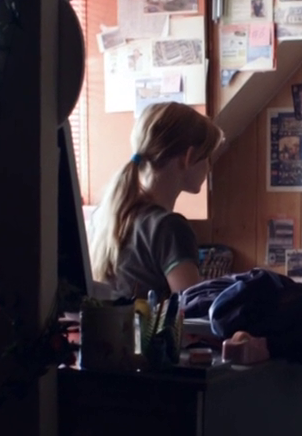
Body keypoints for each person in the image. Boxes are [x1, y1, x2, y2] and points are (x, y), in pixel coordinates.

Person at [89, 102, 223, 302]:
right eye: (206, 157)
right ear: (187, 157)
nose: (209, 167)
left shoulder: (104, 215)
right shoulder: (170, 227)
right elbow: (191, 310)